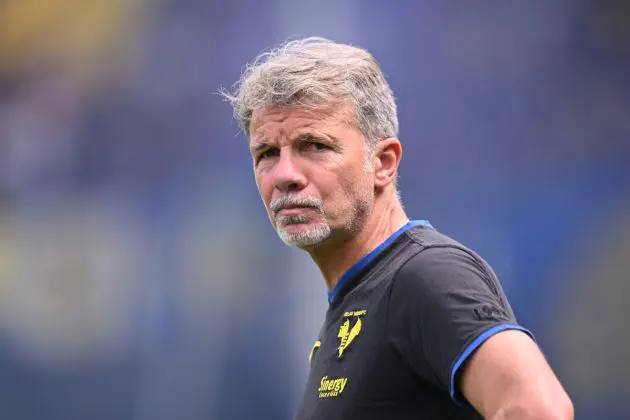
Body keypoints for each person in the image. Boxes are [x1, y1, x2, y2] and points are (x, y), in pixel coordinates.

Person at [222, 37, 573, 419]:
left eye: (314, 146)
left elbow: (539, 410)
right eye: (267, 154)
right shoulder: (360, 298)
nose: (285, 175)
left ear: (384, 163)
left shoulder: (428, 276)